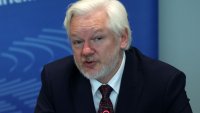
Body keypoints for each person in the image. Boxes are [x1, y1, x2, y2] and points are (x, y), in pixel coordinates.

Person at [34, 0, 192, 113]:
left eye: (98, 38)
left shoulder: (164, 82)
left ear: (122, 38)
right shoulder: (55, 79)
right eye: (78, 42)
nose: (86, 51)